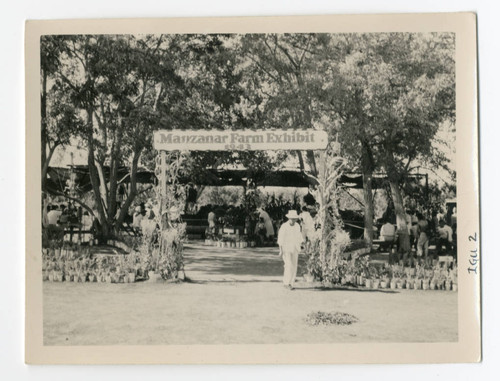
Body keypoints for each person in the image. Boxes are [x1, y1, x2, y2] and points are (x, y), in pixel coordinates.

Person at [277, 210, 303, 290]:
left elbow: (299, 237)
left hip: (295, 247)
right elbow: (280, 239)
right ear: (289, 218)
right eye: (292, 218)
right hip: (286, 248)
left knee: (294, 265)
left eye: (295, 218)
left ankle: (291, 283)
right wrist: (280, 250)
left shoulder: (297, 226)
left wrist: (301, 245)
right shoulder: (284, 226)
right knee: (288, 265)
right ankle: (286, 282)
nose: (293, 220)